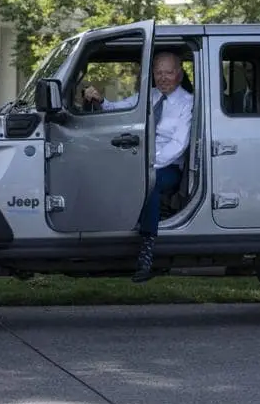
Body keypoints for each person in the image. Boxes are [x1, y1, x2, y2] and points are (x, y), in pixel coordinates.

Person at [82, 50, 193, 282]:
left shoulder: (187, 103)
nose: (163, 78)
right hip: (139, 160)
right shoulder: (148, 96)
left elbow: (178, 144)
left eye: (169, 73)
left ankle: (147, 251)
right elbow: (118, 108)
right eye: (159, 72)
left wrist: (148, 165)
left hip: (168, 166)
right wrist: (100, 100)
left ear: (179, 75)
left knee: (149, 184)